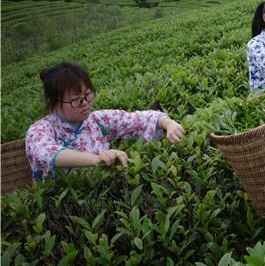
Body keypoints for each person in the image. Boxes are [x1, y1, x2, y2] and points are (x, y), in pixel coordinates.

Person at [25, 62, 185, 180]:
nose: (86, 103)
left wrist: (167, 123)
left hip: (102, 189)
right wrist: (97, 159)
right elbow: (44, 153)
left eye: (88, 95)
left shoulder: (97, 120)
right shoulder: (40, 130)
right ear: (53, 102)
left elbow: (137, 119)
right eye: (76, 100)